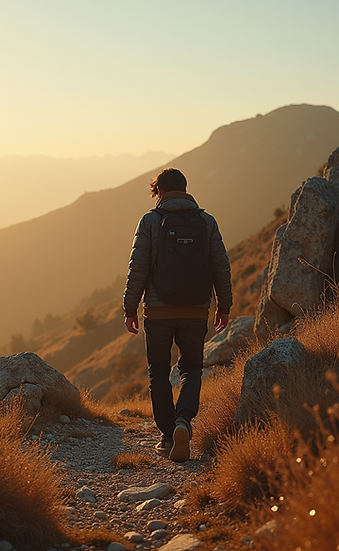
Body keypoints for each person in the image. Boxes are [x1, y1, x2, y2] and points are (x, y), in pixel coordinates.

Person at [123, 167, 232, 462]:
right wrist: (223, 306)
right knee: (192, 368)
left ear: (158, 191)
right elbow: (221, 266)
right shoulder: (207, 222)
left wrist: (130, 308)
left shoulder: (150, 221)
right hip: (196, 310)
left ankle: (168, 437)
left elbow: (138, 268)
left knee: (158, 373)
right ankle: (183, 420)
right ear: (185, 189)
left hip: (158, 312)